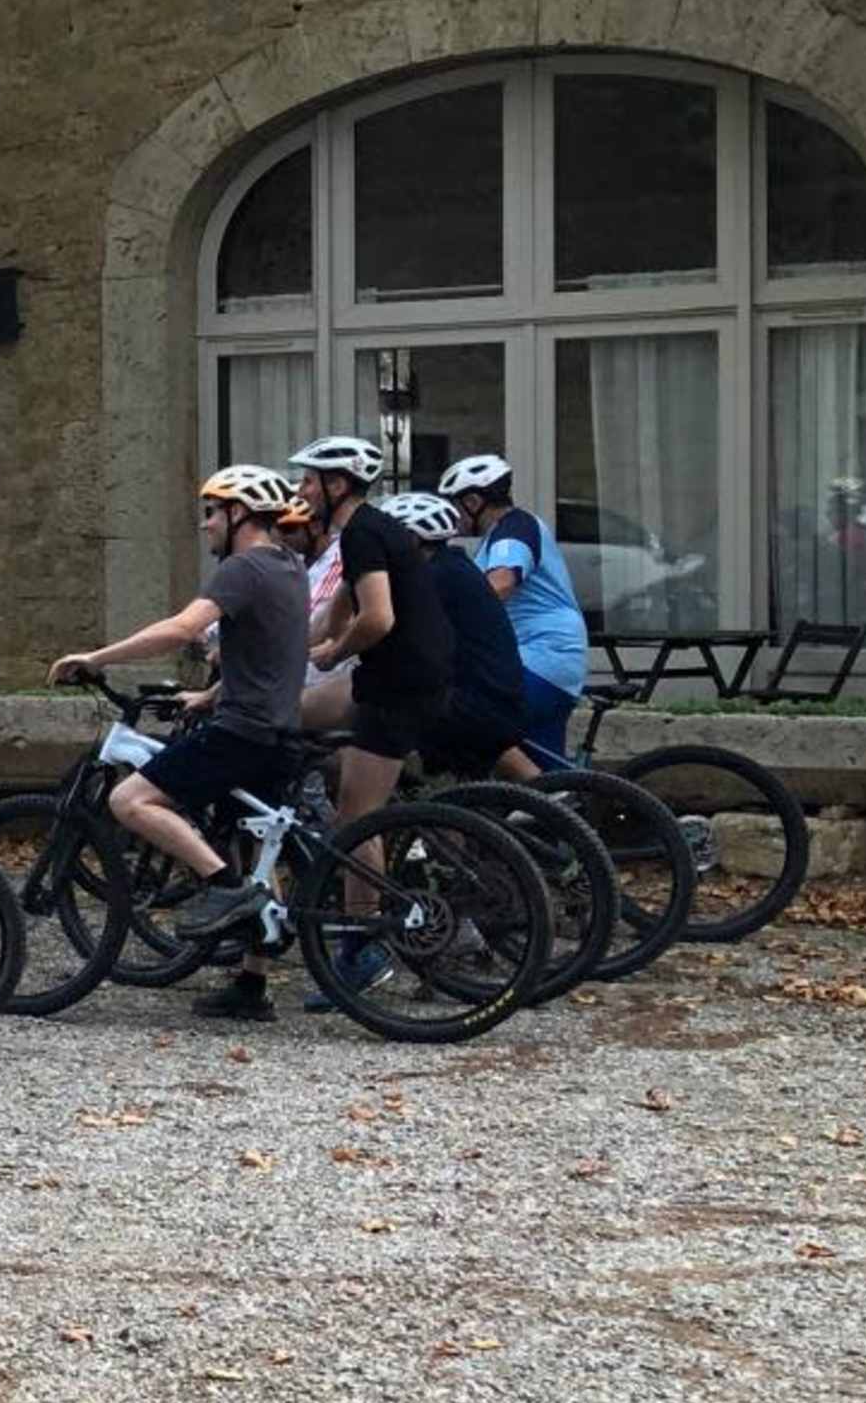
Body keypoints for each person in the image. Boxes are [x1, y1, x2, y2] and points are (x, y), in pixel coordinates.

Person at [48, 466, 315, 1012]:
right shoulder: (290, 565)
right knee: (255, 843)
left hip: (242, 734)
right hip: (278, 729)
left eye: (213, 513)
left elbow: (182, 629)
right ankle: (251, 985)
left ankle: (221, 886)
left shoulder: (242, 568)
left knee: (131, 799)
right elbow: (271, 651)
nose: (205, 525)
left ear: (240, 514)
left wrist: (94, 658)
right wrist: (211, 695)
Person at [286, 434, 451, 828]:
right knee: (281, 712)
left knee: (356, 825)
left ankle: (378, 878)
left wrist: (334, 653)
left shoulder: (362, 534)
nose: (300, 491)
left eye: (309, 481)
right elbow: (331, 617)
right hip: (396, 677)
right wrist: (280, 655)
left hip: (397, 688)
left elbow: (378, 618)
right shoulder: (370, 530)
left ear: (337, 485)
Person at [435, 453, 586, 768]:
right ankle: (570, 805)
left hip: (541, 657)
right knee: (552, 779)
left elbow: (501, 583)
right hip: (549, 659)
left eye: (452, 505)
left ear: (474, 501)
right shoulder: (501, 534)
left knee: (472, 719)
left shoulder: (514, 529)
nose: (448, 517)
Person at [381, 491, 542, 776]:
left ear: (412, 539)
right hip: (491, 698)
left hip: (476, 705)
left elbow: (390, 632)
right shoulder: (451, 567)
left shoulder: (433, 579)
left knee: (375, 715)